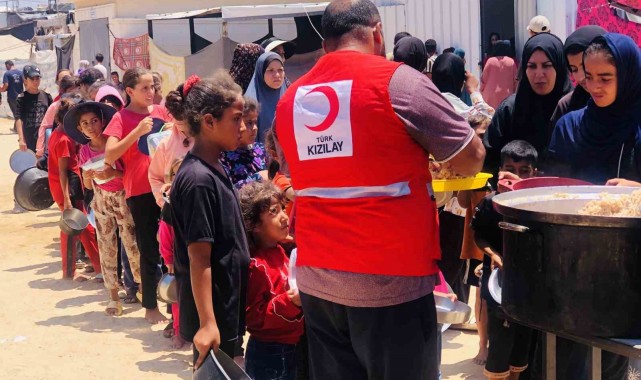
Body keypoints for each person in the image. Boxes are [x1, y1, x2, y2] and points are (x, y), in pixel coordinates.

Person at [274, 1, 486, 379]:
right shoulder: (400, 82)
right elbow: (472, 157)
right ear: (376, 33)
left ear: (326, 44)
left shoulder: (291, 100)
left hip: (318, 282)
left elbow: (301, 172)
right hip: (392, 282)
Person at [547, 34, 638, 380]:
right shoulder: (569, 126)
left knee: (613, 359)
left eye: (606, 78)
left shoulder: (638, 127)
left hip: (628, 269)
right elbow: (552, 187)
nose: (594, 86)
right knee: (570, 357)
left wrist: (637, 190)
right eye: (588, 76)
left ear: (627, 76)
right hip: (571, 264)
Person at [169, 71, 250, 368]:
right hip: (215, 312)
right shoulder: (198, 180)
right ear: (209, 121)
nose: (241, 128)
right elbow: (199, 257)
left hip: (226, 304)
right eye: (236, 118)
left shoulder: (214, 165)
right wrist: (207, 323)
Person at [104, 67, 172, 324]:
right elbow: (110, 155)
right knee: (148, 249)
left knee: (171, 247)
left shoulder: (161, 112)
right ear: (130, 91)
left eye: (152, 87)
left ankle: (174, 308)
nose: (150, 92)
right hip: (140, 191)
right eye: (144, 88)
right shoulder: (121, 118)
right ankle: (150, 307)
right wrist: (137, 132)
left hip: (165, 188)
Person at [64, 101, 142, 316]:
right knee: (106, 247)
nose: (90, 126)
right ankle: (114, 297)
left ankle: (143, 290)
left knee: (132, 245)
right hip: (101, 200)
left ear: (103, 122)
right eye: (85, 123)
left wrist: (113, 175)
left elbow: (130, 174)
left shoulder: (115, 145)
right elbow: (87, 186)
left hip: (123, 198)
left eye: (94, 121)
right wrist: (88, 179)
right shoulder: (84, 152)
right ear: (80, 128)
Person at [473, 140, 537, 380]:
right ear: (500, 171)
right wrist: (494, 255)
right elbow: (478, 236)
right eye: (510, 168)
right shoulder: (490, 204)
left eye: (524, 170)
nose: (517, 176)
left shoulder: (537, 205)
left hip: (528, 287)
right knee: (499, 342)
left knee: (522, 344)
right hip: (498, 283)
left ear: (535, 174)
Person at [239, 181, 304, 380]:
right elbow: (253, 317)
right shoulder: (256, 266)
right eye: (274, 212)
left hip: (293, 346)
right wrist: (289, 302)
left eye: (283, 208)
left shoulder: (281, 250)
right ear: (255, 226)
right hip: (270, 353)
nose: (284, 216)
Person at [484, 32, 572, 172]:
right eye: (531, 66)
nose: (539, 74)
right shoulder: (510, 109)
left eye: (546, 65)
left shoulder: (574, 108)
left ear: (559, 67)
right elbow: (490, 160)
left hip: (565, 193)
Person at [47, 96, 101, 280]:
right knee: (80, 228)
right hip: (67, 188)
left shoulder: (58, 134)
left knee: (76, 228)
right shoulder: (63, 139)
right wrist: (67, 198)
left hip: (66, 187)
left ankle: (85, 268)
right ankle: (90, 268)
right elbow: (63, 170)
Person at [550, 25, 607, 126]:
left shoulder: (632, 103)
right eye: (574, 69)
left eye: (585, 66)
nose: (581, 77)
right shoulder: (566, 107)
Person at [148, 83, 194, 208]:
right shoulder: (166, 144)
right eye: (176, 119)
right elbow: (155, 177)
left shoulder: (209, 138)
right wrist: (164, 201)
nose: (180, 124)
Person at [157, 157, 186, 349]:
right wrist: (168, 259)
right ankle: (178, 331)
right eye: (175, 174)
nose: (180, 177)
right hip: (178, 259)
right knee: (178, 298)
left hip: (197, 258)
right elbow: (165, 234)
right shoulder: (170, 204)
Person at [220, 97, 267, 189]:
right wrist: (257, 178)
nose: (255, 128)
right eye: (249, 123)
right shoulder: (223, 156)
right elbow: (228, 191)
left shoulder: (261, 149)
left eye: (255, 122)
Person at [431, 52, 494, 119]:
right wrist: (473, 90)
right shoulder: (457, 108)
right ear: (459, 79)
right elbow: (487, 116)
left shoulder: (428, 99)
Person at [246, 52, 288, 143]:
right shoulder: (250, 104)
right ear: (261, 72)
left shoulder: (290, 97)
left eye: (280, 70)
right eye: (270, 70)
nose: (277, 75)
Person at [36, 75, 77, 158]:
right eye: (71, 91)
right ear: (63, 91)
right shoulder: (55, 106)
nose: (74, 94)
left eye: (77, 91)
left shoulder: (81, 105)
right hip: (61, 148)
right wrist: (40, 150)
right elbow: (44, 127)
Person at [16, 65, 53, 153]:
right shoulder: (22, 98)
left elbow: (52, 117)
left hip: (45, 137)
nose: (35, 81)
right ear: (25, 80)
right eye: (32, 79)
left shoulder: (46, 96)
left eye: (37, 78)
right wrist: (21, 139)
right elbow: (18, 119)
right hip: (29, 137)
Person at [481, 40, 518, 109]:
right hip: (507, 95)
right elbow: (516, 79)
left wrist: (481, 91)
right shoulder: (511, 61)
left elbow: (483, 79)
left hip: (490, 96)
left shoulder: (490, 60)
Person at [1, 60, 24, 130]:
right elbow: (25, 82)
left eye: (6, 66)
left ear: (8, 65)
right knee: (19, 112)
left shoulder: (7, 74)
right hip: (21, 96)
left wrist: (2, 90)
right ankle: (16, 128)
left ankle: (19, 129)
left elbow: (6, 85)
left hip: (12, 96)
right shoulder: (21, 73)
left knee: (16, 114)